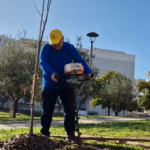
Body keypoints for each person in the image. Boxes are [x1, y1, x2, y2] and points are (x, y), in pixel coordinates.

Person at [39, 29, 94, 142]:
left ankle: (70, 135)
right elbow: (43, 62)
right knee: (47, 110)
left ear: (62, 39)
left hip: (67, 84)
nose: (56, 45)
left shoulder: (70, 48)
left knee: (70, 111)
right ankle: (44, 134)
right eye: (53, 42)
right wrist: (52, 73)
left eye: (58, 42)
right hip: (50, 85)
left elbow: (80, 60)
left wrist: (88, 72)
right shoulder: (46, 48)